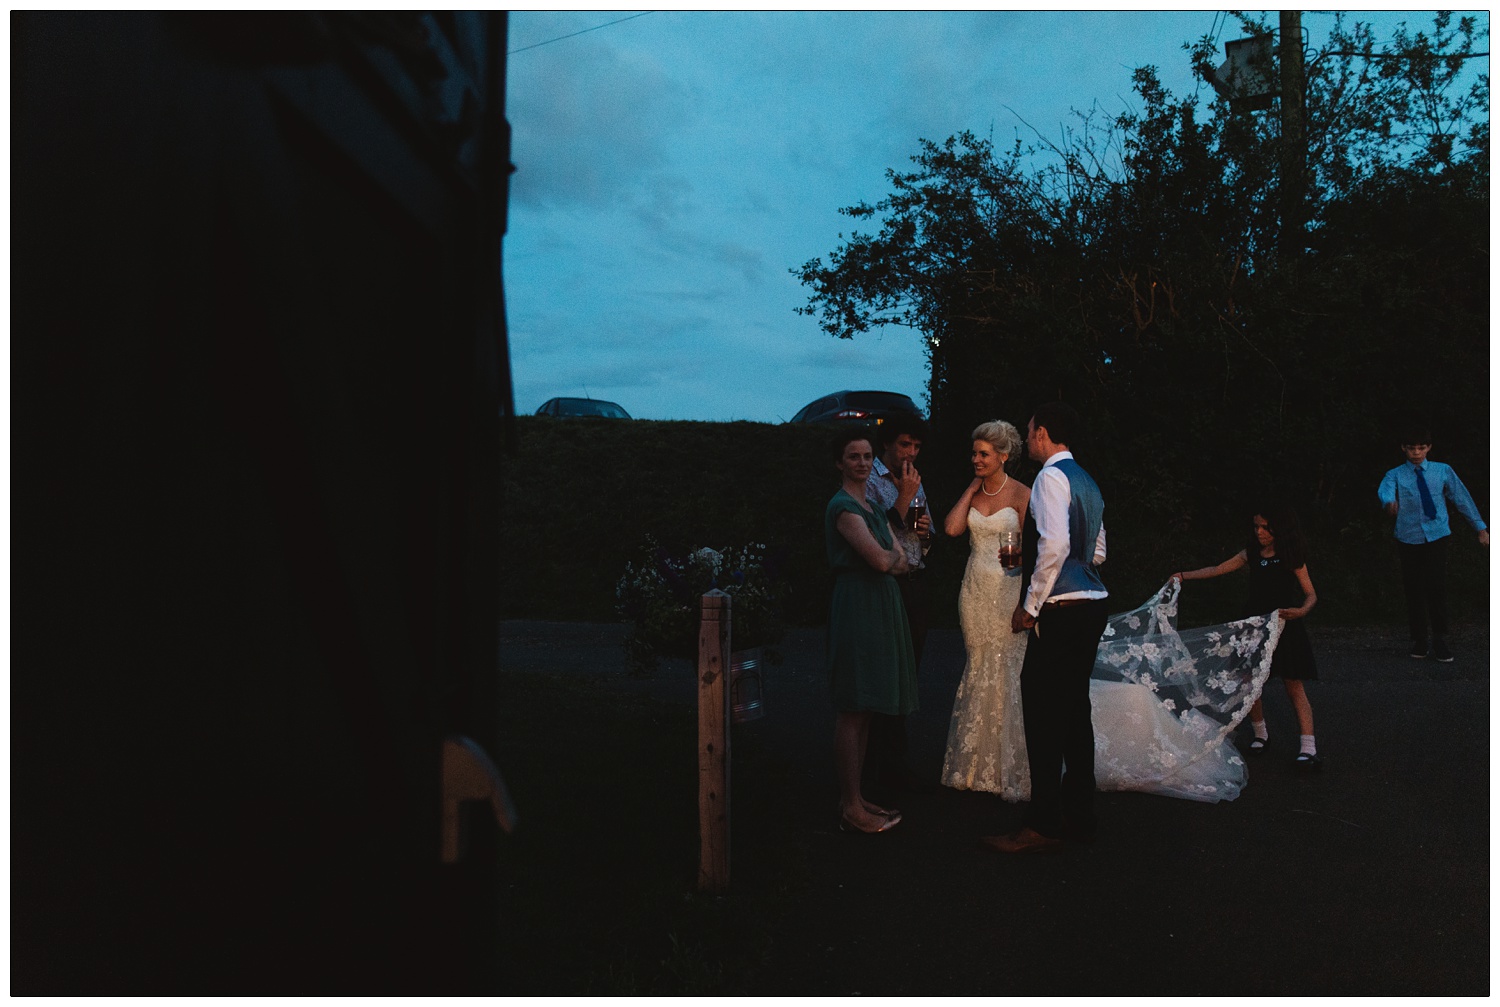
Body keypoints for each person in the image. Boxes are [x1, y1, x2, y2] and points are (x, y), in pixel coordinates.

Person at [985, 403, 1109, 855]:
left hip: (1061, 609)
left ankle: (1041, 822)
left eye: (1032, 430)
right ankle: (1080, 817)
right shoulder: (1087, 481)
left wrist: (1031, 607)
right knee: (1076, 711)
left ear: (1043, 436)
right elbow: (1097, 551)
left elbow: (1054, 545)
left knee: (1041, 712)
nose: (1029, 437)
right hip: (1093, 602)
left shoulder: (1049, 478)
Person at [1175, 504, 1322, 769]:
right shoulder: (1252, 553)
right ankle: (1260, 733)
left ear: (1280, 527)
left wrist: (1301, 610)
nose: (1260, 532)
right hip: (1253, 624)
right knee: (1249, 681)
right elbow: (1218, 568)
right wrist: (1184, 576)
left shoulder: (1291, 555)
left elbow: (1311, 594)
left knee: (1293, 685)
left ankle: (1308, 746)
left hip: (1283, 624)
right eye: (1256, 526)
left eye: (1265, 527)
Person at [824, 429, 916, 833]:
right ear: (840, 463)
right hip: (858, 606)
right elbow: (883, 561)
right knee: (853, 707)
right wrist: (889, 559)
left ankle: (857, 798)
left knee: (865, 710)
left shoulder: (873, 508)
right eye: (853, 457)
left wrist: (890, 559)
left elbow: (903, 558)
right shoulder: (844, 508)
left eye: (865, 456)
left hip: (879, 606)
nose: (861, 463)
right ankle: (849, 804)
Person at [939, 420, 1032, 800]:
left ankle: (1009, 764)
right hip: (974, 590)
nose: (975, 459)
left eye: (983, 454)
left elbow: (1035, 547)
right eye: (974, 453)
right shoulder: (974, 493)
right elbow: (951, 529)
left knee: (1008, 668)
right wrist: (971, 488)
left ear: (1003, 456)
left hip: (1008, 588)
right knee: (978, 665)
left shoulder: (1022, 494)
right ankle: (973, 766)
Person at [864, 412, 934, 793]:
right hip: (888, 585)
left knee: (909, 676)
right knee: (887, 676)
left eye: (917, 446)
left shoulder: (915, 481)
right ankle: (879, 769)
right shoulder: (870, 481)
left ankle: (896, 764)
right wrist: (905, 499)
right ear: (887, 443)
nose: (911, 453)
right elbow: (878, 534)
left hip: (916, 584)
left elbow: (927, 536)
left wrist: (925, 532)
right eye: (905, 444)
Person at [1377, 427, 1488, 663]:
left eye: (1421, 448)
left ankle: (1440, 638)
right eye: (1411, 448)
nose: (1416, 452)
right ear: (1403, 449)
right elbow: (1385, 491)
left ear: (1428, 448)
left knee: (1436, 586)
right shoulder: (1395, 474)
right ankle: (1419, 639)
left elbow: (1461, 497)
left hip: (1437, 535)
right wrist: (1389, 504)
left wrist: (1480, 527)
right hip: (1408, 537)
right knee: (1413, 588)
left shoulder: (1442, 470)